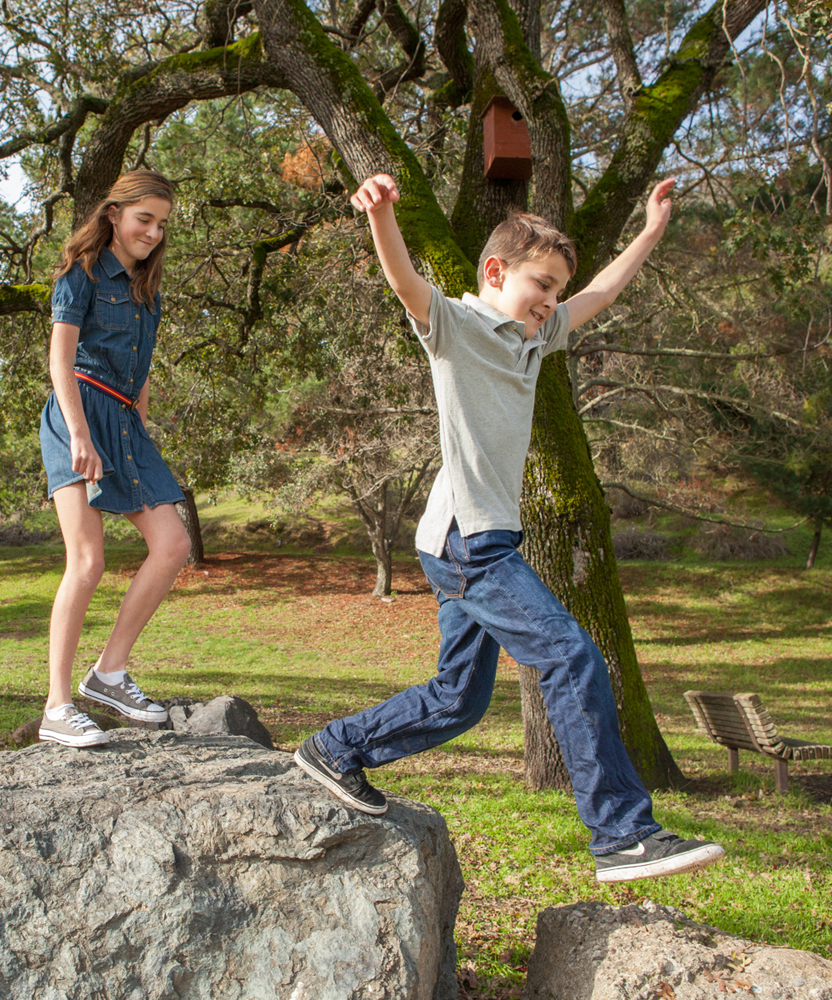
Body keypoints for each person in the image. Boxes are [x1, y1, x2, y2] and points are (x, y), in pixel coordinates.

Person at [293, 173, 725, 883]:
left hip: (468, 540)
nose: (552, 302)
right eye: (542, 285)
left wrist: (649, 230)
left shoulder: (534, 336)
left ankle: (336, 748)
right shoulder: (457, 329)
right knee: (572, 656)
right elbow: (404, 282)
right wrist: (381, 213)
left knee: (459, 700)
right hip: (470, 541)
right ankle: (622, 834)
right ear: (496, 272)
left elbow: (603, 294)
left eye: (557, 291)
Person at [35, 168, 192, 748]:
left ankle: (109, 673)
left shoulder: (147, 292)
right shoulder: (81, 275)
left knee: (173, 544)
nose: (152, 232)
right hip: (77, 411)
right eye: (143, 219)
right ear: (114, 216)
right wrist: (78, 431)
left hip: (125, 422)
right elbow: (61, 362)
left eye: (161, 224)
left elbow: (141, 373)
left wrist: (140, 438)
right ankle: (57, 705)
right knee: (87, 561)